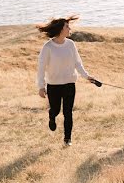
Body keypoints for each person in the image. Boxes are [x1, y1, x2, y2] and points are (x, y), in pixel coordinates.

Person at [36, 15, 96, 146]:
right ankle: (52, 117)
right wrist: (41, 86)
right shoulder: (48, 47)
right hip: (54, 85)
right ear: (60, 29)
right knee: (56, 110)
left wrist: (87, 76)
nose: (69, 29)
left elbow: (77, 63)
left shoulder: (71, 44)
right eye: (67, 26)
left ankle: (67, 139)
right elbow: (41, 68)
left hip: (69, 84)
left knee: (68, 112)